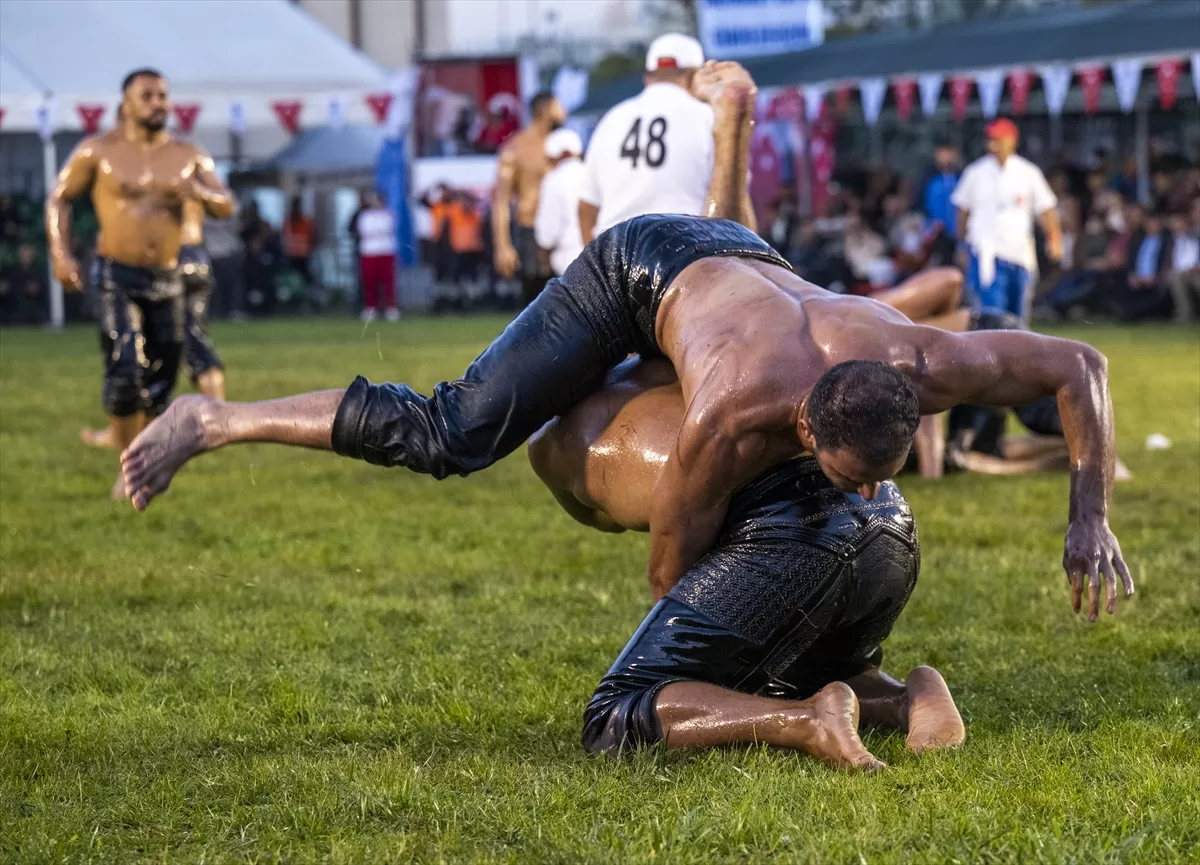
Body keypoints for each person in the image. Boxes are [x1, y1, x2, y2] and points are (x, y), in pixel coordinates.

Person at [121, 63, 1132, 625]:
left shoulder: (926, 358)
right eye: (852, 478)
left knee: (731, 340)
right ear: (803, 422)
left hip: (746, 257)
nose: (868, 495)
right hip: (639, 266)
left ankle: (730, 124)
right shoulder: (736, 412)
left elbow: (1078, 362)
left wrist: (1089, 512)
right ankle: (217, 418)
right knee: (457, 430)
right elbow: (666, 583)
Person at [527, 355, 964, 766]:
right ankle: (903, 698)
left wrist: (685, 651)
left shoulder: (552, 441)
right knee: (787, 669)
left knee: (616, 713)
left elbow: (667, 573)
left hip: (791, 531)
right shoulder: (693, 367)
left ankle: (809, 720)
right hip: (893, 519)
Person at [46, 68, 235, 496]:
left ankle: (144, 455)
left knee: (162, 376)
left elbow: (226, 205)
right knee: (125, 366)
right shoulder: (99, 150)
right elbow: (60, 197)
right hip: (117, 273)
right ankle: (129, 466)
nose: (158, 103)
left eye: (163, 95)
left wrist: (197, 192)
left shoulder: (189, 154)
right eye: (147, 96)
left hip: (168, 276)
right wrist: (61, 252)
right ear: (125, 104)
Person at [82, 198, 230, 449]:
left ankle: (215, 427)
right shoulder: (190, 167)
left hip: (168, 259)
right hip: (198, 257)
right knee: (194, 341)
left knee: (142, 356)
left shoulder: (153, 174)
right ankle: (221, 423)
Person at [578, 36, 754, 245]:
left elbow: (586, 208)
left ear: (648, 78)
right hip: (687, 253)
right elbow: (735, 204)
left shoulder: (612, 119)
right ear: (693, 78)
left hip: (616, 254)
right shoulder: (709, 117)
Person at [953, 118, 1062, 322]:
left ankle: (1020, 355)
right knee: (992, 314)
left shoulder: (1027, 172)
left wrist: (1054, 237)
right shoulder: (975, 172)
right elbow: (962, 211)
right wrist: (961, 245)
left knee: (1019, 313)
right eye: (990, 141)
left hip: (1019, 252)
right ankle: (993, 354)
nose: (992, 146)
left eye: (998, 140)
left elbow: (1046, 208)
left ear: (1011, 141)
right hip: (987, 252)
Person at [491, 91, 566, 307]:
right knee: (534, 306)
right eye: (559, 106)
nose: (564, 112)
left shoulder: (563, 145)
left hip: (561, 233)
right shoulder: (516, 147)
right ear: (546, 110)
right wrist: (502, 245)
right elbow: (501, 200)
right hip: (530, 231)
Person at [534, 128, 586, 277]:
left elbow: (547, 233)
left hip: (567, 262)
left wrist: (543, 259)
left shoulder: (554, 179)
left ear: (560, 155)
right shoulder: (592, 174)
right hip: (599, 258)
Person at [356, 190, 399, 322]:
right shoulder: (365, 216)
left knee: (388, 280)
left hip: (385, 250)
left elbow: (387, 229)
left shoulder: (388, 214)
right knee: (370, 281)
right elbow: (365, 231)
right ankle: (370, 307)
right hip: (369, 252)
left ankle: (390, 307)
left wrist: (377, 232)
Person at [1167, 212, 1200, 322]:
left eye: (1180, 223)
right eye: (1175, 224)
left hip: (1196, 272)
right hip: (1180, 273)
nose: (1178, 226)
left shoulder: (1195, 238)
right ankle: (1185, 314)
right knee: (1175, 278)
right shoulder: (1173, 241)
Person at [282, 196, 317, 290]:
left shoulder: (306, 221)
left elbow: (313, 237)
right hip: (291, 255)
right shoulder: (288, 221)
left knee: (304, 277)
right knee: (293, 278)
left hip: (304, 256)